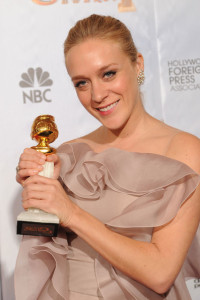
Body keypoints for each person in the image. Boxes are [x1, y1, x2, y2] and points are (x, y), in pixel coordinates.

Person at [15, 14, 200, 300]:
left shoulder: (183, 149)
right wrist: (38, 186)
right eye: (81, 83)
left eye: (108, 74)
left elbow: (161, 273)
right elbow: (46, 245)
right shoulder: (69, 154)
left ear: (137, 64)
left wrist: (72, 213)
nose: (98, 94)